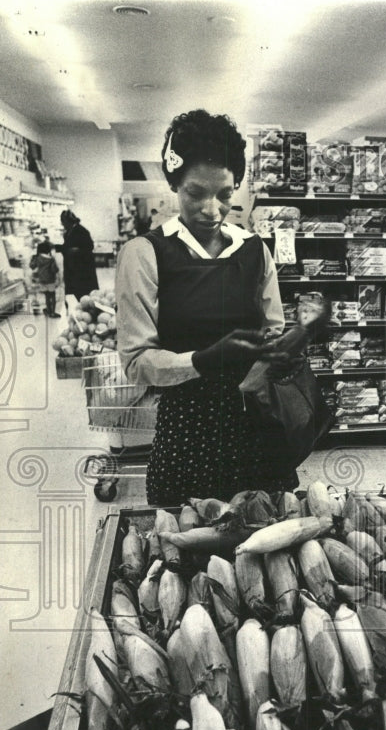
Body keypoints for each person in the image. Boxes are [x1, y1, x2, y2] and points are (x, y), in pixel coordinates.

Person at [116, 108, 299, 506]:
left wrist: (278, 354)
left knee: (264, 542)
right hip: (187, 433)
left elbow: (273, 330)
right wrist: (200, 360)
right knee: (188, 547)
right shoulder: (146, 254)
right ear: (174, 184)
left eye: (225, 194)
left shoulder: (254, 251)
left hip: (256, 427)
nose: (212, 209)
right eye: (195, 193)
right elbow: (135, 359)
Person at [53, 209, 98, 302]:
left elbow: (90, 246)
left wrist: (77, 251)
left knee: (83, 294)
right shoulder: (69, 232)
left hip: (82, 270)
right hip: (72, 269)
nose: (62, 224)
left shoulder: (81, 231)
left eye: (63, 222)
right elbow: (67, 247)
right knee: (73, 294)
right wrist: (55, 247)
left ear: (69, 221)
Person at [29, 240, 60, 318]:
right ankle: (53, 312)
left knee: (46, 296)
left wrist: (33, 259)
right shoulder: (51, 259)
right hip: (50, 280)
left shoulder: (37, 258)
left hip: (42, 280)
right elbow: (54, 270)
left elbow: (32, 266)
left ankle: (48, 311)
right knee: (52, 296)